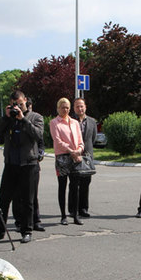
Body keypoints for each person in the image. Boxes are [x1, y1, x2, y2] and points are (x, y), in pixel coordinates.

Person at [0, 90, 43, 244]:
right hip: (11, 163)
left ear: (25, 101)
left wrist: (23, 119)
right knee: (3, 199)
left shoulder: (35, 117)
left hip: (29, 164)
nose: (17, 107)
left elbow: (38, 135)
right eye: (14, 104)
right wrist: (6, 117)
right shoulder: (9, 118)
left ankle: (27, 231)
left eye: (20, 104)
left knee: (27, 200)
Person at [50, 97, 85, 226]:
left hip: (75, 156)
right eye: (63, 107)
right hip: (62, 157)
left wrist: (79, 150)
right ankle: (63, 215)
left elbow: (81, 140)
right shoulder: (54, 122)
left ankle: (75, 215)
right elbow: (57, 140)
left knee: (75, 187)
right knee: (62, 186)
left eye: (67, 108)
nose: (65, 110)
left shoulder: (75, 122)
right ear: (58, 108)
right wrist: (71, 150)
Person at [12, 97, 44, 232]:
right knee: (17, 195)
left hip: (31, 161)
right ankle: (19, 221)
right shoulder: (12, 118)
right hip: (15, 162)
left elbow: (39, 138)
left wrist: (40, 153)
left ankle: (35, 221)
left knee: (32, 195)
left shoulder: (35, 118)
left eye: (25, 105)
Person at [69, 97, 97, 218]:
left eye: (82, 106)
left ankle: (83, 209)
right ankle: (72, 210)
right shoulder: (69, 121)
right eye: (77, 106)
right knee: (74, 184)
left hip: (87, 157)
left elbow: (93, 138)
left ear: (85, 107)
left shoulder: (92, 121)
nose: (79, 108)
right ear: (73, 108)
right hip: (74, 156)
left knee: (86, 183)